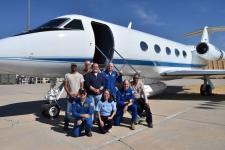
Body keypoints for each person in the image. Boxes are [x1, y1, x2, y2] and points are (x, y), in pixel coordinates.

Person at [63, 63, 84, 130]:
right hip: (70, 97)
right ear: (71, 68)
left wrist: (78, 94)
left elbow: (81, 86)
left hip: (78, 97)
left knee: (78, 112)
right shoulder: (67, 75)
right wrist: (69, 94)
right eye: (72, 67)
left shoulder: (80, 75)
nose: (73, 68)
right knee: (68, 112)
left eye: (75, 67)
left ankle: (77, 125)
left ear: (76, 68)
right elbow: (65, 86)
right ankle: (66, 125)